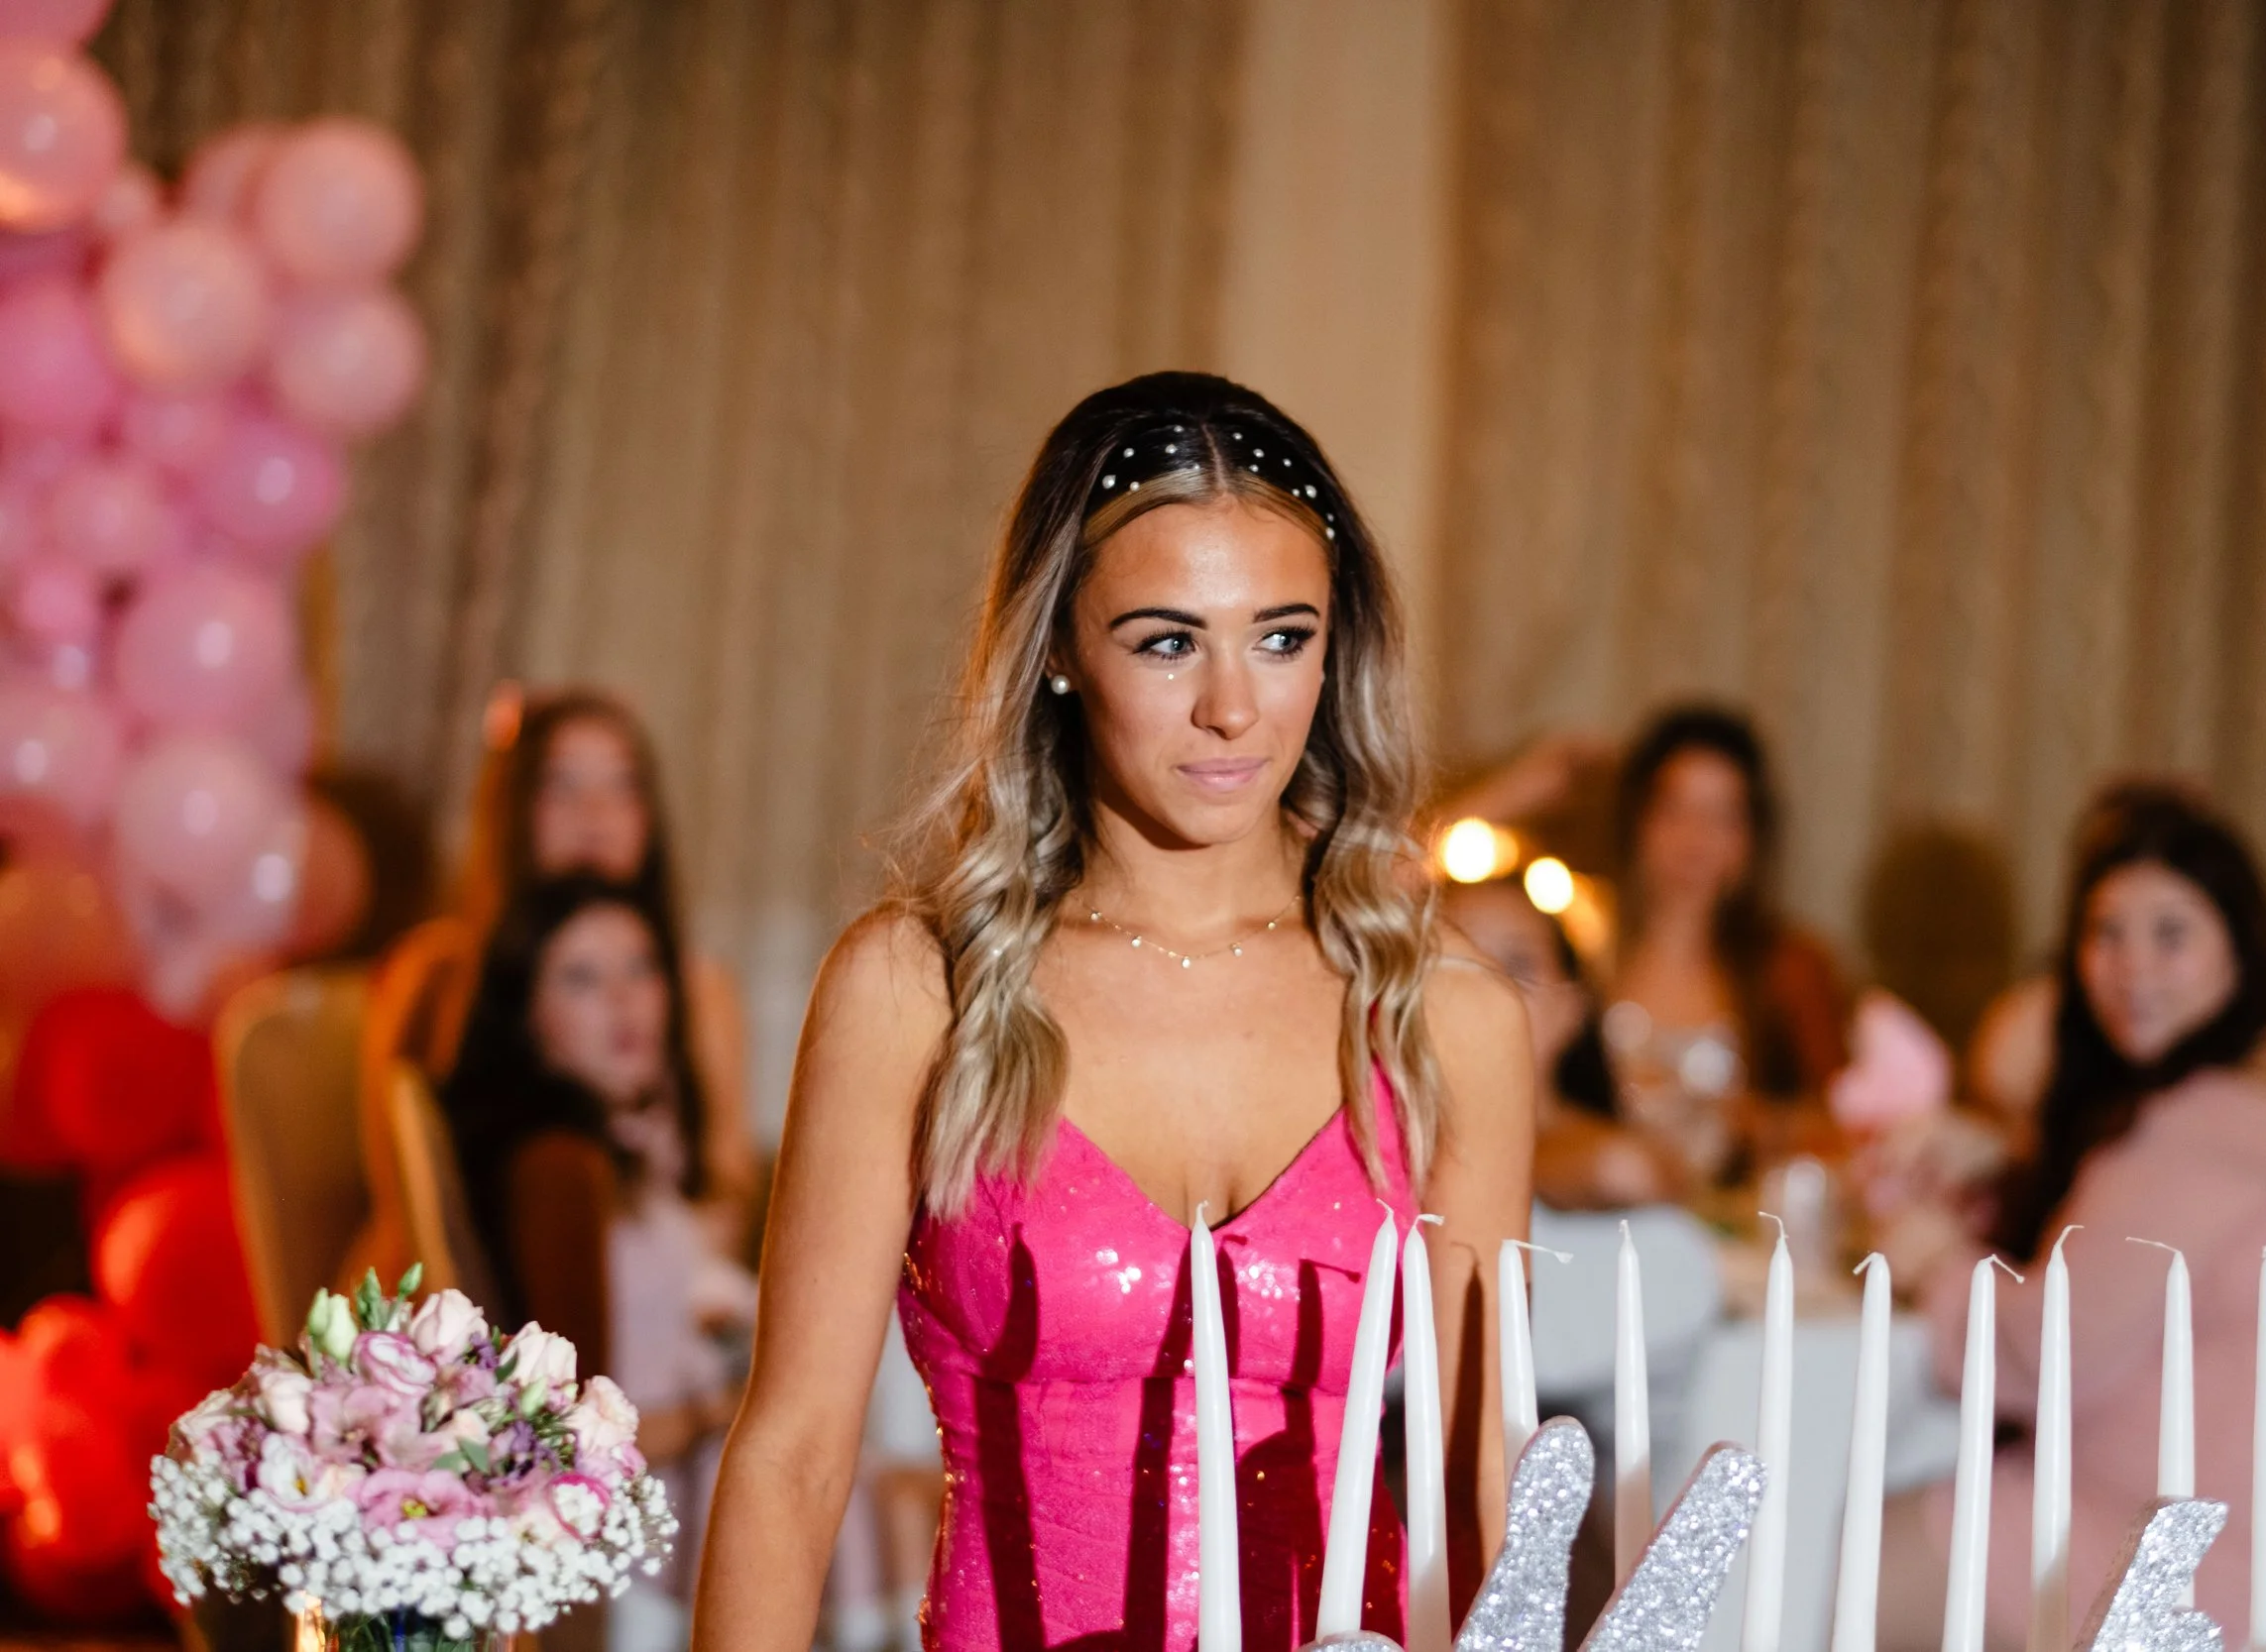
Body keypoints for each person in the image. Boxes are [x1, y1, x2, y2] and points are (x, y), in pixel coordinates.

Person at [693, 373, 1534, 1652]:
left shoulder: (1445, 1015)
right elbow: (794, 1456)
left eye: (1282, 634)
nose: (1233, 707)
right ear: (1061, 655)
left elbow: (1487, 1487)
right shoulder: (918, 989)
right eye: (1165, 638)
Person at [1871, 784, 2266, 1652]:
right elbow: (2133, 1266)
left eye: (2170, 933)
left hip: (2162, 1561)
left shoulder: (2211, 1120)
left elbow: (2040, 1354)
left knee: (1820, 1550)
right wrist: (2009, 1161)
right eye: (2104, 933)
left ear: (2241, 945)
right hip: (2262, 1549)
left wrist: (1935, 1258)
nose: (2130, 966)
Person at [357, 689, 756, 1283]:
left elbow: (727, 1185)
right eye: (561, 786)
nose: (595, 813)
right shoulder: (442, 974)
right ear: (512, 808)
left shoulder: (699, 989)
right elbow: (404, 1189)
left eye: (623, 787)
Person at [439, 874, 753, 1610]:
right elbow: (568, 1438)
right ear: (527, 1018)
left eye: (640, 967)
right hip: (632, 1545)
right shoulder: (558, 1169)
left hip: (673, 1496)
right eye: (582, 977)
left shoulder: (619, 1147)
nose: (624, 999)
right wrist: (731, 1409)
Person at [1600, 705, 1845, 1188]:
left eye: (1722, 817)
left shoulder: (1790, 966)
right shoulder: (1585, 945)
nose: (1695, 839)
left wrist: (1742, 1119)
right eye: (1675, 810)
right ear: (1638, 819)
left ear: (1753, 836)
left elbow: (1848, 1121)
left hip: (1731, 1228)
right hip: (1593, 1218)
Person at [1438, 876, 1677, 1209]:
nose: (1487, 988)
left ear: (1571, 1007)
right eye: (1456, 962)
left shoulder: (1618, 1157)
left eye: (1517, 965)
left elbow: (1625, 1169)